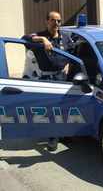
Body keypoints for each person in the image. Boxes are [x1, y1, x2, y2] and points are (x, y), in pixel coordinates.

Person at [23, 11, 72, 152]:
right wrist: (43, 40)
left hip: (61, 77)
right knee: (50, 108)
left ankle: (61, 133)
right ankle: (52, 137)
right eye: (53, 20)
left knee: (62, 108)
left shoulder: (65, 38)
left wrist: (69, 64)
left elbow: (73, 52)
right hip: (46, 79)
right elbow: (24, 37)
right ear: (47, 21)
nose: (56, 23)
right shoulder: (40, 36)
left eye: (58, 21)